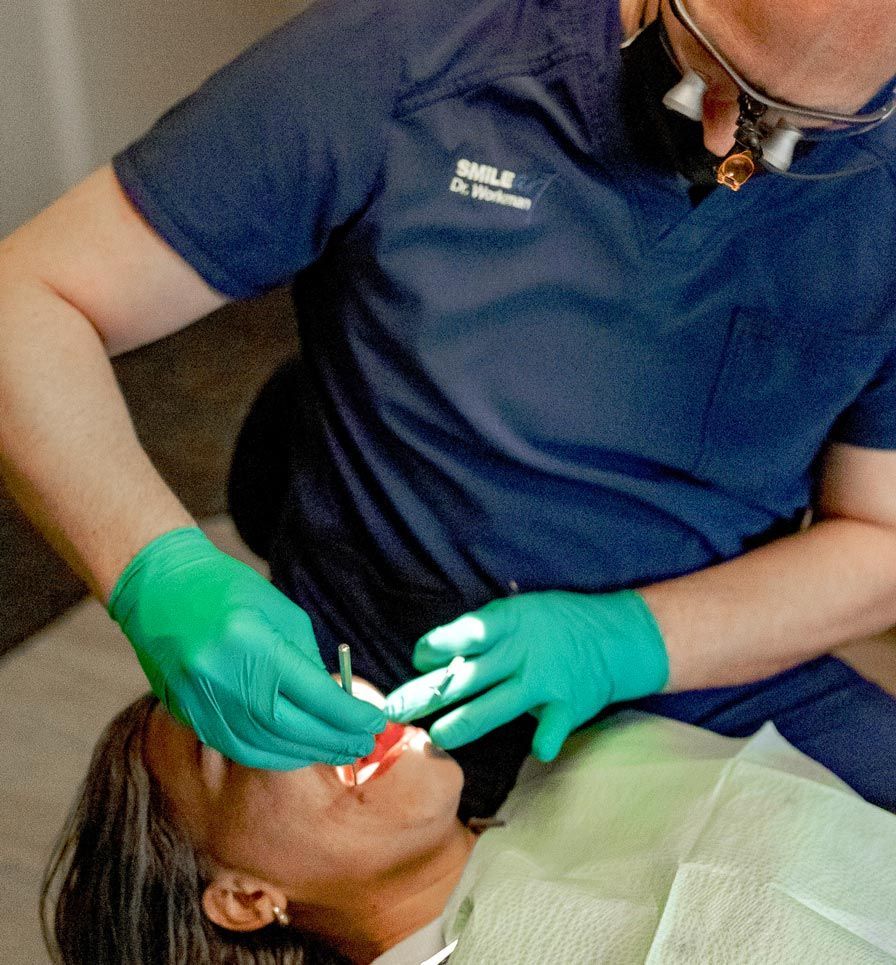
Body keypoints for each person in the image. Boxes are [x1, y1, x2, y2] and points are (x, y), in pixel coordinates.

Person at [2, 0, 896, 819]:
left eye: (795, 126)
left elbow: (880, 538)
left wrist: (632, 640)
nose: (726, 144)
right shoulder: (415, 55)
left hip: (711, 667)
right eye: (710, 68)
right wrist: (156, 572)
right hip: (396, 664)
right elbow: (26, 302)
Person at [41, 682, 896, 965]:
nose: (320, 716)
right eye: (236, 744)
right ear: (244, 895)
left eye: (291, 683)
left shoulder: (609, 751)